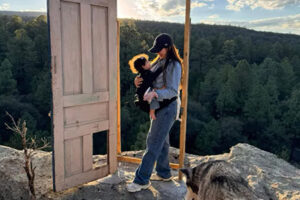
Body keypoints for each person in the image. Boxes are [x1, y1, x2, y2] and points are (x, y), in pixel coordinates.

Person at [126, 33, 183, 192]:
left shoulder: (174, 65)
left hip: (168, 107)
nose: (157, 53)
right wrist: (137, 80)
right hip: (159, 107)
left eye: (160, 50)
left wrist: (155, 94)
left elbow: (173, 91)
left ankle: (141, 180)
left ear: (167, 47)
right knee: (162, 141)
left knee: (153, 142)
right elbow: (149, 76)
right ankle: (164, 173)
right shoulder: (160, 60)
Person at [128, 54, 164, 120]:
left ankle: (152, 111)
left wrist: (158, 58)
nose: (149, 62)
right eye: (147, 62)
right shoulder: (147, 74)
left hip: (142, 97)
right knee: (154, 97)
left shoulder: (142, 74)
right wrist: (162, 67)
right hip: (145, 96)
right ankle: (152, 112)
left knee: (153, 93)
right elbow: (154, 75)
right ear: (143, 66)